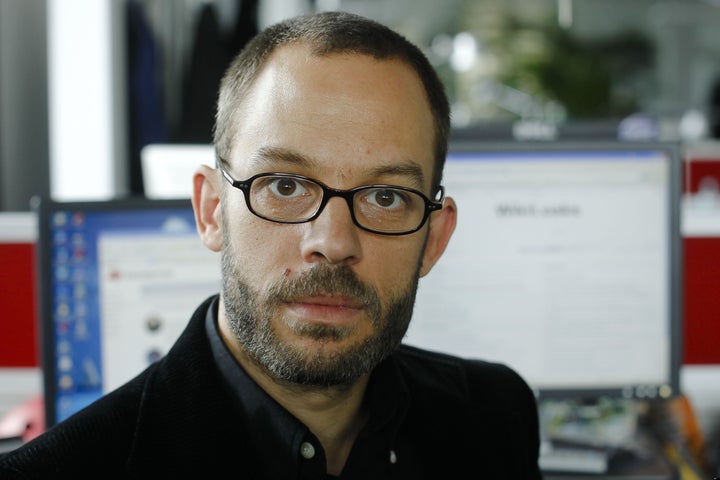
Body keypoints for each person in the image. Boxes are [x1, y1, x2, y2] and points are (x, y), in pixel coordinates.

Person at [0, 11, 542, 479]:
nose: (332, 242)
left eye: (385, 196)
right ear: (211, 211)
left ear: (434, 238)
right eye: (284, 186)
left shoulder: (495, 418)